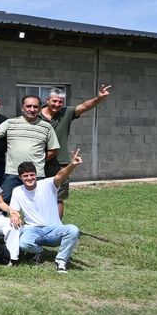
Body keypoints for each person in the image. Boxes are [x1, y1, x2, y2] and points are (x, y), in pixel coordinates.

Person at [40, 85, 111, 218]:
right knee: (38, 196)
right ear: (47, 99)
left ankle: (57, 226)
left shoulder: (66, 112)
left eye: (60, 102)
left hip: (60, 163)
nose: (57, 104)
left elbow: (84, 106)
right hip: (38, 162)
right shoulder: (35, 114)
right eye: (54, 101)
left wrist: (99, 98)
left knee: (58, 198)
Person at [10, 150, 84, 273]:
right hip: (32, 229)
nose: (29, 178)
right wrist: (13, 215)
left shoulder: (48, 184)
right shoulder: (17, 191)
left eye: (32, 175)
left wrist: (72, 165)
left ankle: (61, 261)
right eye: (25, 176)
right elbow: (14, 210)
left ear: (36, 174)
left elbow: (61, 175)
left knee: (73, 230)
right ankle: (39, 251)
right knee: (24, 244)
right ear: (20, 178)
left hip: (53, 229)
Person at [0, 95, 60, 204]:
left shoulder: (46, 127)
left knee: (37, 204)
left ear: (39, 109)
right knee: (3, 203)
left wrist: (39, 160)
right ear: (22, 108)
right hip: (12, 173)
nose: (32, 109)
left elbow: (54, 150)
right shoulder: (10, 123)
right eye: (28, 106)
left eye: (35, 107)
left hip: (36, 174)